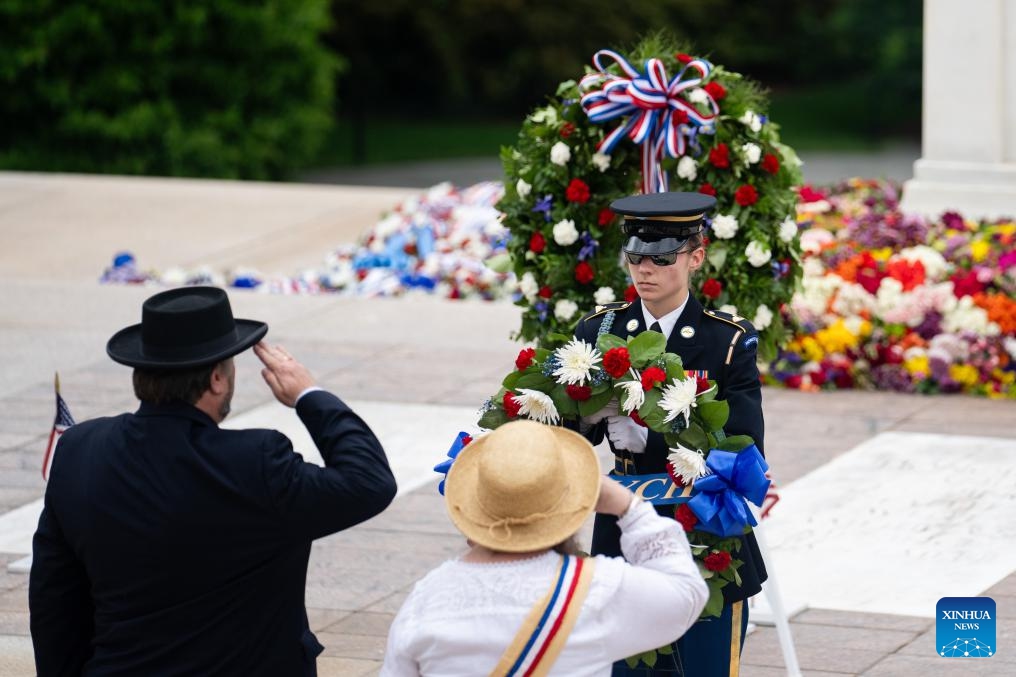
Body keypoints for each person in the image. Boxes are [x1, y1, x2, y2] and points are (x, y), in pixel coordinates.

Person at [29, 286, 398, 676]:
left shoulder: (80, 451)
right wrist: (308, 393)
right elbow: (368, 481)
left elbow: (55, 598)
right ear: (217, 380)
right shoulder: (255, 462)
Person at [572, 192, 767, 676]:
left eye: (661, 257)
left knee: (702, 665)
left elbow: (745, 449)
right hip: (622, 530)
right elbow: (565, 432)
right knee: (627, 669)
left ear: (696, 256)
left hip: (701, 528)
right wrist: (588, 417)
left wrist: (654, 441)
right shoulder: (600, 331)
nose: (645, 269)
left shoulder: (727, 342)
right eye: (635, 256)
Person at [380, 420, 708, 677]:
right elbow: (686, 593)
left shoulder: (428, 597)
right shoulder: (598, 591)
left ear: (475, 510)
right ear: (570, 504)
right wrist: (628, 506)